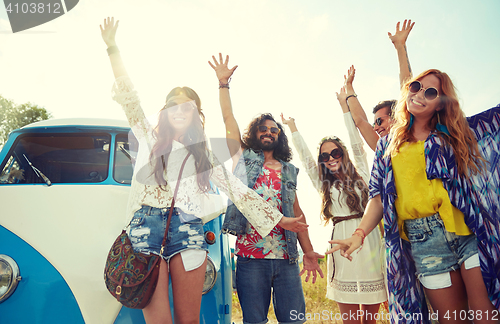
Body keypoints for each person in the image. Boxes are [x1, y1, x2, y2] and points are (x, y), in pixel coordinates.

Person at [100, 18, 308, 324]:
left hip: (188, 229)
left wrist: (279, 219)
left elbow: (237, 190)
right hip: (146, 229)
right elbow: (129, 95)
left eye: (188, 105)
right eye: (173, 104)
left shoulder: (203, 154)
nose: (180, 109)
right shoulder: (147, 135)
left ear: (197, 114)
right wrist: (113, 48)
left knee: (190, 321)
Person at [328, 67, 500, 323]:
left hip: (468, 232)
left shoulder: (454, 134)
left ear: (441, 103)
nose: (420, 94)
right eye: (415, 87)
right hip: (424, 242)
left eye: (431, 92)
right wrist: (358, 234)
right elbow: (377, 198)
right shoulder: (388, 145)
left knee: (486, 315)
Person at [209, 53, 324, 324]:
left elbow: (297, 213)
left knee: (294, 320)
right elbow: (228, 118)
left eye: (274, 129)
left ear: (279, 136)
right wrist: (223, 85)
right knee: (255, 321)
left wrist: (308, 251)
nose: (268, 132)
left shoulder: (287, 169)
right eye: (263, 128)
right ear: (255, 133)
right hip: (251, 258)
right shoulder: (243, 158)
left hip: (285, 259)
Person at [281, 77, 386, 324]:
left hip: (368, 240)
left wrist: (344, 106)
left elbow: (355, 140)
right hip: (340, 246)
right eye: (325, 155)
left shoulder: (362, 171)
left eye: (335, 152)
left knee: (370, 319)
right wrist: (293, 129)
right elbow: (307, 161)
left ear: (343, 153)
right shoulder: (324, 184)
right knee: (349, 319)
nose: (330, 158)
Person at [347, 20, 415, 152]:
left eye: (379, 121)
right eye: (375, 124)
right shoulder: (385, 150)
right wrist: (349, 89)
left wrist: (400, 47)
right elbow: (361, 122)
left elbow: (408, 89)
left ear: (398, 117)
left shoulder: (415, 136)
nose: (375, 128)